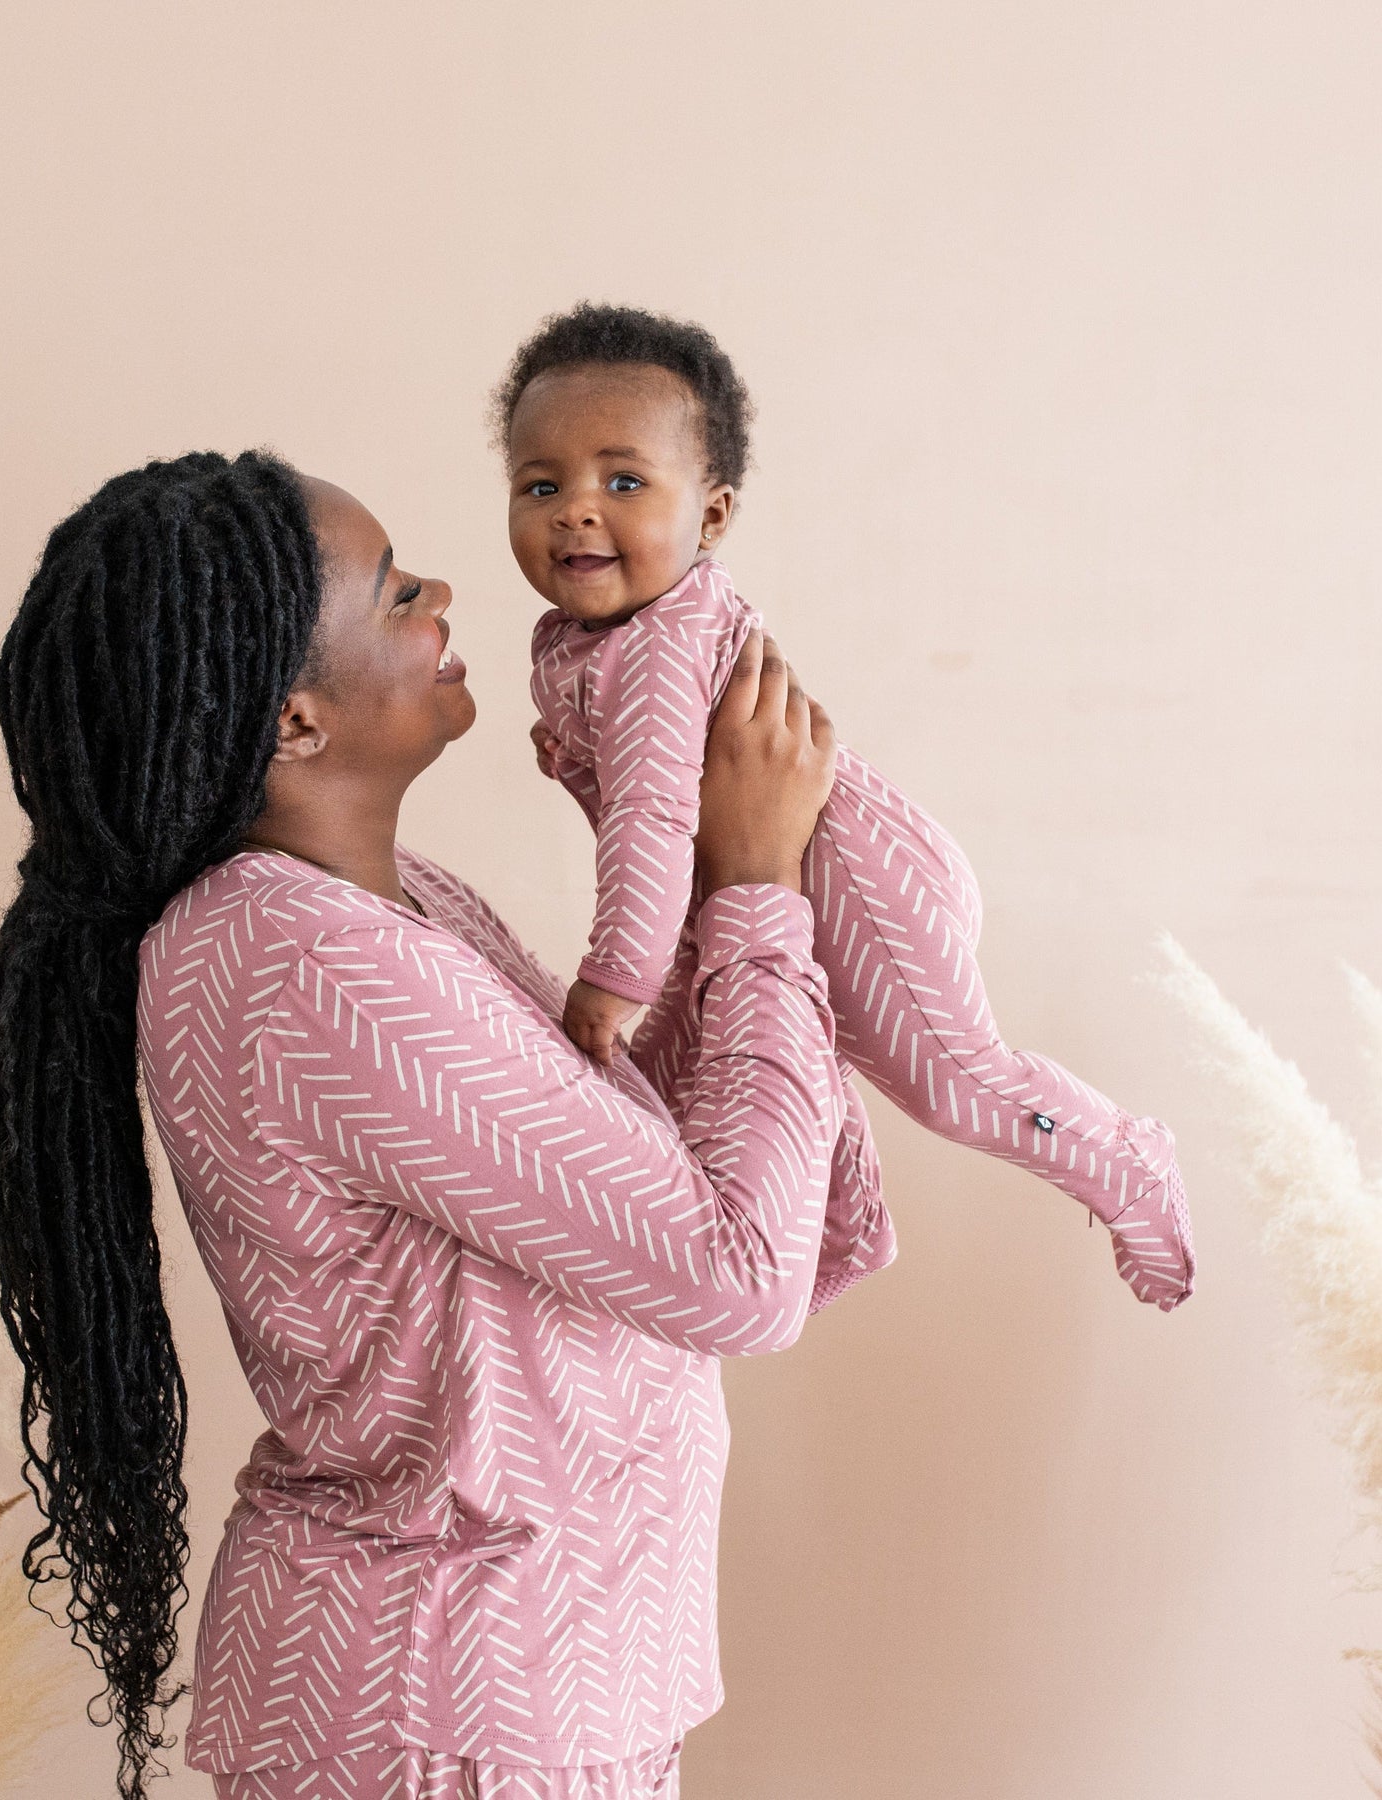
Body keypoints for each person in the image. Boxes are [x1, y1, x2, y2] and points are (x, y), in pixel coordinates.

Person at [0, 449, 893, 1800]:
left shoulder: (400, 906)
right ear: (293, 719)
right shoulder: (304, 965)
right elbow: (734, 1273)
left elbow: (657, 1181)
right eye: (398, 591)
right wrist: (756, 890)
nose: (449, 593)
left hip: (521, 1686)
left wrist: (684, 855)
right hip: (443, 1713)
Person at [503, 302, 1195, 1311]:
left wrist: (613, 978)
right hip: (778, 875)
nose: (575, 508)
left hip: (861, 882)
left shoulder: (654, 642)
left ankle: (1121, 1156)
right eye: (540, 484)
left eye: (622, 480)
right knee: (728, 1056)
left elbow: (654, 819)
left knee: (957, 1085)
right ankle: (843, 1226)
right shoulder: (585, 638)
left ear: (711, 515)